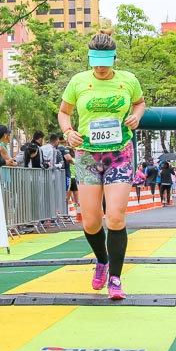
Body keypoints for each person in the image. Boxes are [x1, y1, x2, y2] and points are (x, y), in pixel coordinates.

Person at [58, 29, 146, 300]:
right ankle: (102, 260)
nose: (100, 68)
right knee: (92, 222)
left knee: (116, 217)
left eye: (105, 63)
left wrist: (136, 117)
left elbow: (140, 104)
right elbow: (64, 112)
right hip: (86, 155)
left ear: (114, 59)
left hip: (120, 153)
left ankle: (116, 279)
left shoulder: (128, 80)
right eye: (96, 63)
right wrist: (68, 131)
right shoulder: (78, 81)